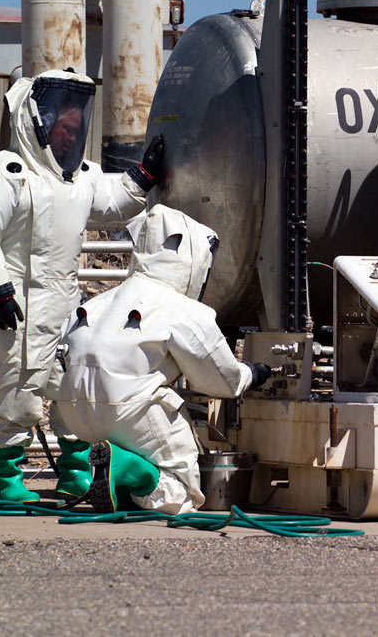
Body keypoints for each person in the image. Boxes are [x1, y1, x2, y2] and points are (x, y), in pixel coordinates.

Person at [0, 68, 165, 503]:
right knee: (15, 387)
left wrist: (143, 175)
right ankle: (11, 482)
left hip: (65, 304)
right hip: (16, 306)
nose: (71, 138)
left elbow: (112, 204)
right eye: (64, 130)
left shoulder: (81, 177)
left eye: (77, 129)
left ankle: (75, 475)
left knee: (72, 391)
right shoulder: (3, 173)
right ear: (40, 123)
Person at [56, 205, 271, 514]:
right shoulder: (181, 309)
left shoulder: (101, 302)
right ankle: (133, 472)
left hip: (76, 413)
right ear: (191, 256)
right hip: (128, 409)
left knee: (135, 445)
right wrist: (254, 372)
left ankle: (119, 476)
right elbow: (221, 381)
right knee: (182, 492)